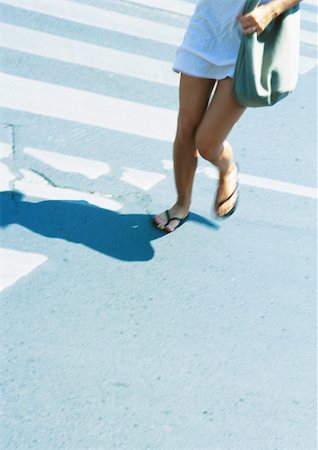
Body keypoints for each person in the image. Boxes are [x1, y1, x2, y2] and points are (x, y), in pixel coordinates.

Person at [153, 0, 301, 233]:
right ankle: (181, 204)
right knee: (186, 129)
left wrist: (271, 10)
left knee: (207, 143)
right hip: (206, 27)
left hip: (249, 36)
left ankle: (227, 168)